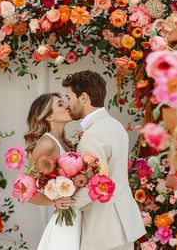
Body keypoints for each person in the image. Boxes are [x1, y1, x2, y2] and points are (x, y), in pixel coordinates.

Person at [62, 70, 146, 250]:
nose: (68, 104)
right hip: (122, 224)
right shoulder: (114, 125)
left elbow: (95, 185)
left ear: (83, 97)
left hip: (104, 229)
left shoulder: (93, 135)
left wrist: (65, 205)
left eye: (69, 97)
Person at [24, 93, 81, 250]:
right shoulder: (47, 143)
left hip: (77, 215)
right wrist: (54, 202)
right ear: (49, 117)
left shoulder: (65, 142)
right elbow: (27, 191)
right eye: (61, 104)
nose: (67, 106)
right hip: (66, 221)